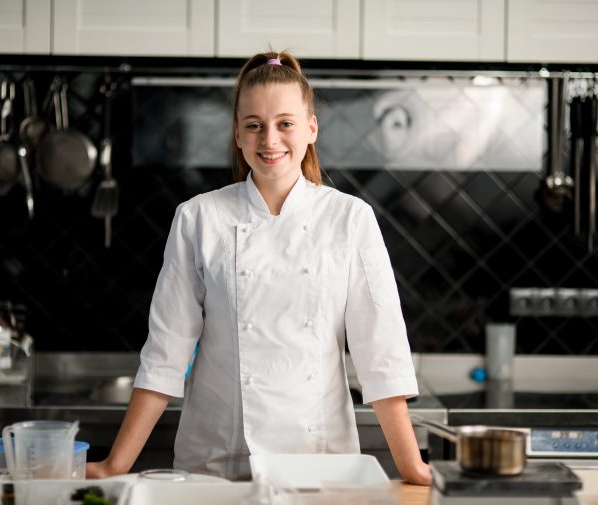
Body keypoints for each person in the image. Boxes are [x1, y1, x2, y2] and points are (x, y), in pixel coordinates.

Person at [86, 50, 431, 486]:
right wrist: (116, 464)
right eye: (254, 125)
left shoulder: (350, 218)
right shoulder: (198, 218)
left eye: (285, 123)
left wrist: (412, 468)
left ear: (311, 128)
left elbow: (381, 353)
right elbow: (165, 354)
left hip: (318, 462)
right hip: (216, 462)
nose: (270, 140)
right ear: (237, 134)